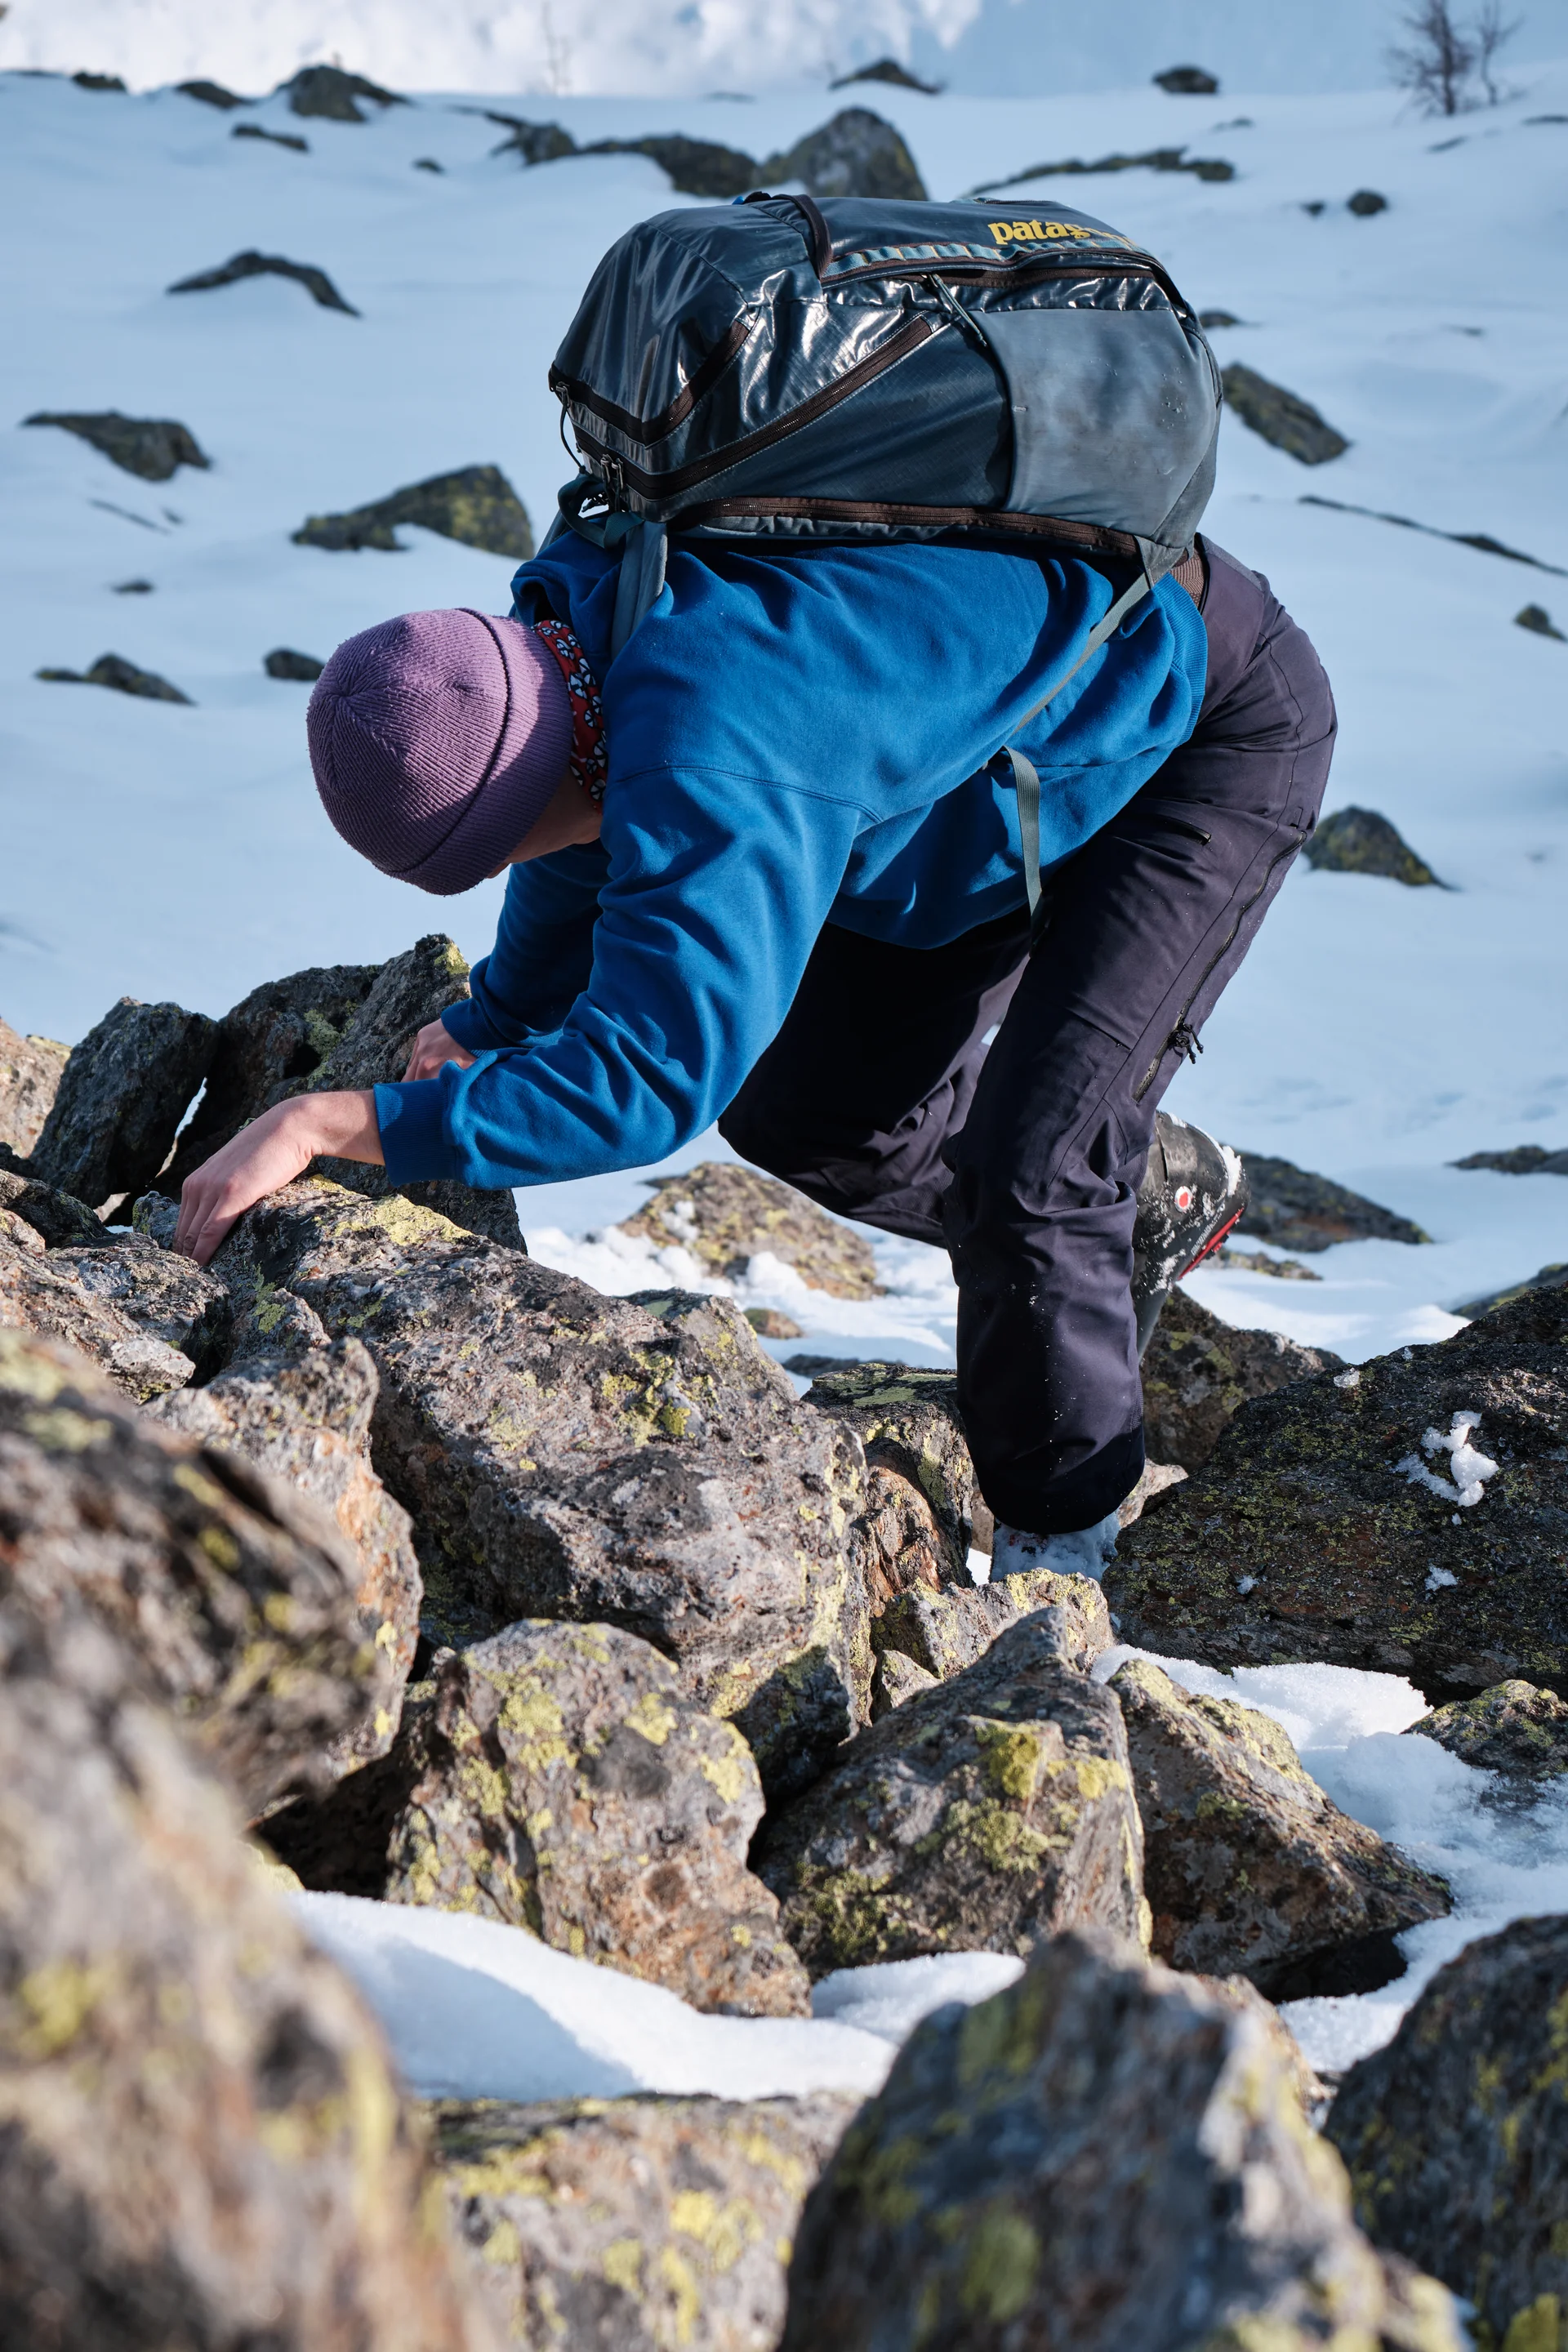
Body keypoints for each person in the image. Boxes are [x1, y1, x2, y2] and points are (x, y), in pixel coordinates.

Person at [174, 524, 1334, 1575]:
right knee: (802, 1112)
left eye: (493, 851)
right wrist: (499, 1017)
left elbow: (647, 1080)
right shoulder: (578, 626)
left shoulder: (713, 736)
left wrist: (340, 1122)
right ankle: (1138, 1205)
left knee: (1038, 1168)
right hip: (975, 773)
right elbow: (575, 837)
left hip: (1195, 729)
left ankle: (1065, 1555)